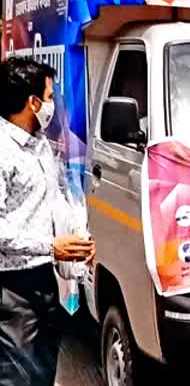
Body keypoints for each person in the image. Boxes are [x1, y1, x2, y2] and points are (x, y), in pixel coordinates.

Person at [0, 57, 96, 386]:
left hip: (43, 277)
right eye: (50, 96)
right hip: (11, 286)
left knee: (43, 370)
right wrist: (51, 245)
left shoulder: (40, 143)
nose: (53, 105)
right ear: (33, 102)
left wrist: (77, 239)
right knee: (17, 376)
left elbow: (53, 196)